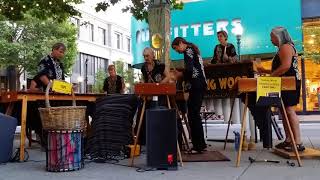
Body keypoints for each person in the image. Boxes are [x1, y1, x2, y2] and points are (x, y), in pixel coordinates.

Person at [256, 27, 304, 151]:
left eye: (272, 36)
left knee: (289, 111)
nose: (270, 39)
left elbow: (285, 67)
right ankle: (289, 140)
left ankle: (298, 142)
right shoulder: (284, 47)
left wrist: (270, 77)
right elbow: (281, 67)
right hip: (287, 82)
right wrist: (265, 71)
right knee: (283, 112)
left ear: (279, 37)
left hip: (289, 83)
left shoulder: (285, 47)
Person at [172, 37, 207, 153]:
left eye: (176, 48)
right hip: (200, 84)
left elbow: (190, 70)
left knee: (193, 115)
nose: (177, 51)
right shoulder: (192, 49)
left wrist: (179, 75)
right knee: (194, 114)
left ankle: (198, 146)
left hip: (197, 85)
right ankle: (200, 144)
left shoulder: (188, 51)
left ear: (181, 43)